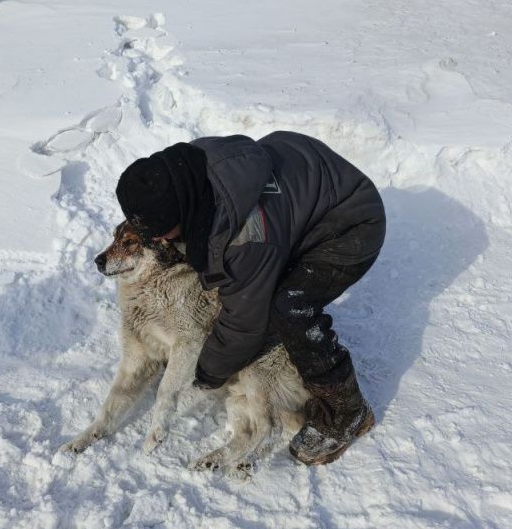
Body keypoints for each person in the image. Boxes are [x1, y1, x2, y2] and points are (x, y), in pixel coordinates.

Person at [115, 132, 386, 465]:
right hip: (310, 191)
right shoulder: (187, 168)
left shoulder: (247, 234)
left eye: (160, 230)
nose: (155, 239)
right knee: (252, 279)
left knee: (289, 307)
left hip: (351, 223)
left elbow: (245, 322)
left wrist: (204, 370)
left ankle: (348, 412)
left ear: (180, 210)